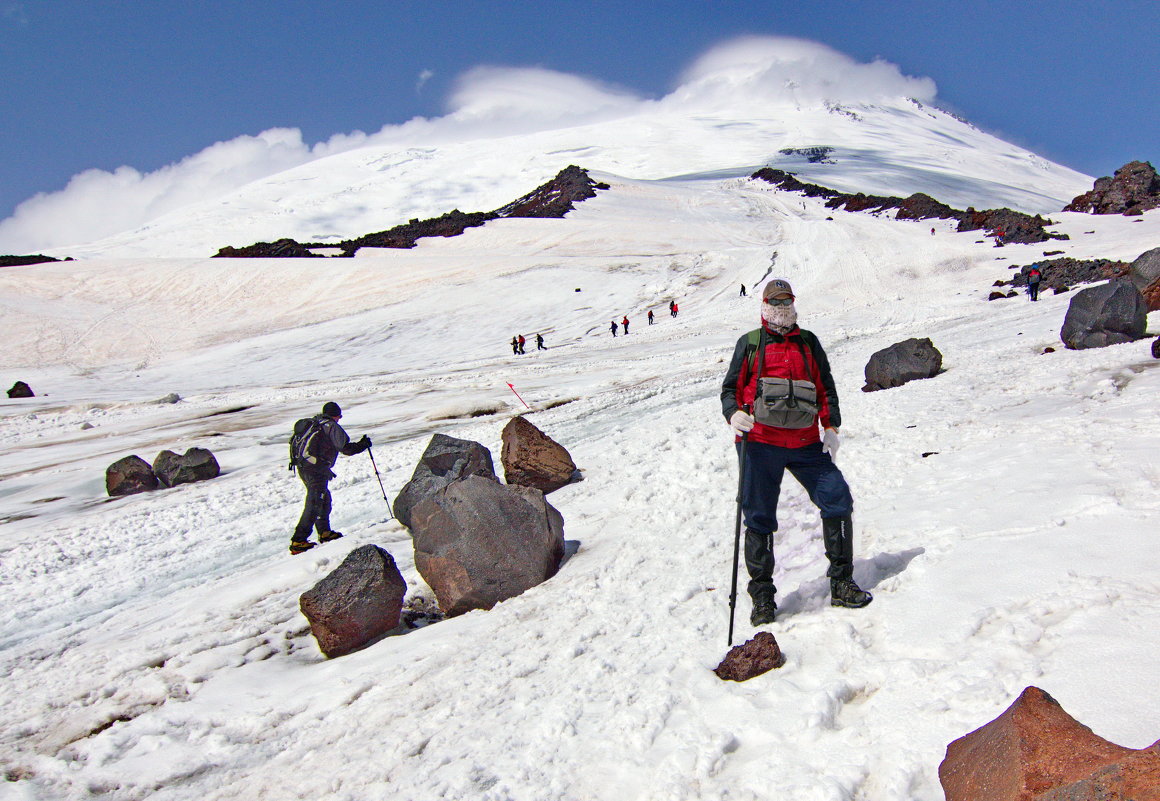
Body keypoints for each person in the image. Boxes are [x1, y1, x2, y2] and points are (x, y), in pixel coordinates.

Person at [720, 279, 872, 625]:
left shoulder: (808, 343)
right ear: (764, 303)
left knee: (837, 498)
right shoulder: (750, 344)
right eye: (775, 301)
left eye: (786, 300)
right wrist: (734, 414)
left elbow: (825, 388)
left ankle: (842, 582)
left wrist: (830, 427)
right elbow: (729, 389)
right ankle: (762, 599)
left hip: (806, 443)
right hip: (759, 443)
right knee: (758, 518)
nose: (781, 306)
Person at [290, 402, 371, 555]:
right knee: (314, 502)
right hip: (316, 470)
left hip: (304, 467)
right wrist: (363, 445)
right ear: (335, 415)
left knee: (323, 498)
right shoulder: (330, 426)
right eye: (339, 416)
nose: (339, 419)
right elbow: (345, 448)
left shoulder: (315, 423)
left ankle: (324, 532)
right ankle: (298, 540)